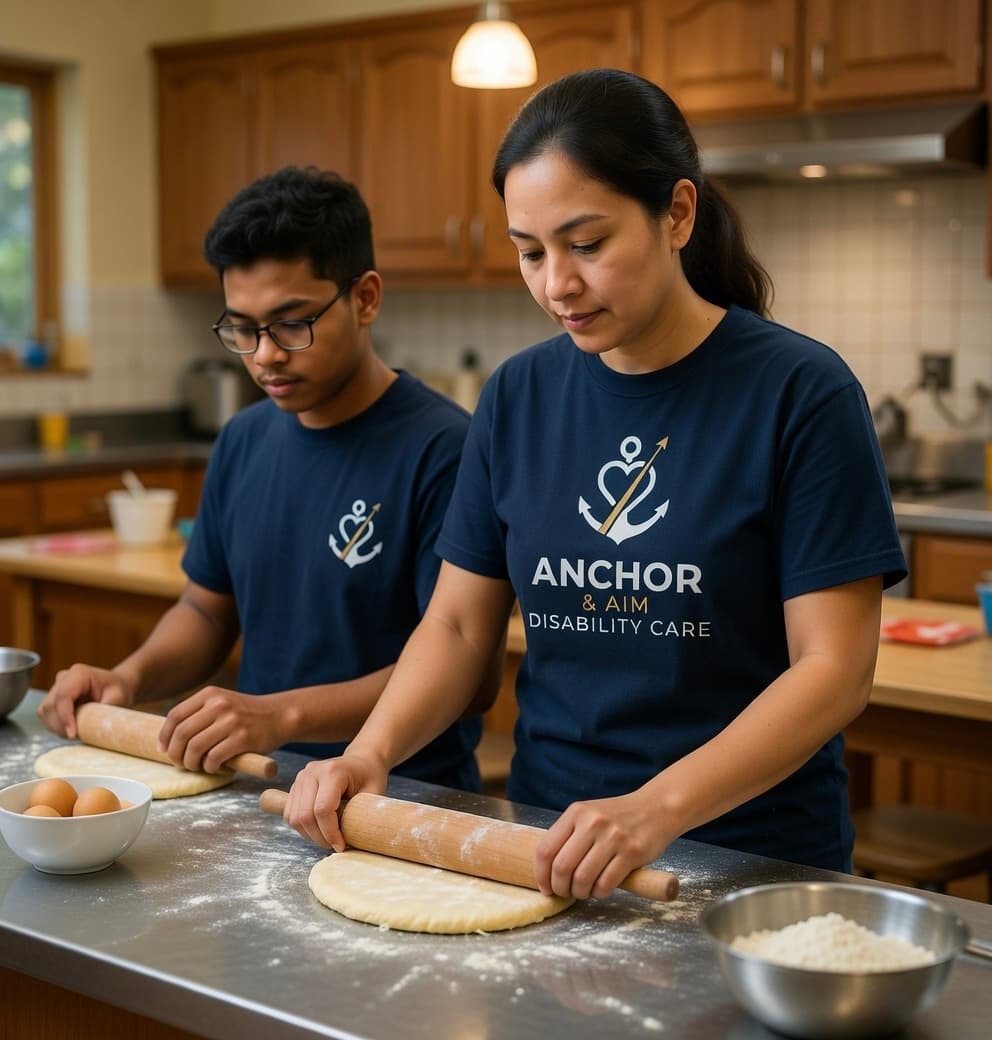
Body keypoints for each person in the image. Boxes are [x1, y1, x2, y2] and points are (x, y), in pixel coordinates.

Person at [283, 70, 907, 897]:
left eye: (587, 244)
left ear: (677, 214)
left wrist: (655, 808)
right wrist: (372, 751)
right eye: (530, 252)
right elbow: (461, 629)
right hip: (551, 849)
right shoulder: (516, 397)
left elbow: (833, 670)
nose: (556, 285)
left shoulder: (800, 392)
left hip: (753, 862)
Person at [38, 166, 493, 792]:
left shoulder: (447, 450)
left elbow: (469, 677)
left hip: (402, 797)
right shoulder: (243, 439)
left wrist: (278, 714)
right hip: (260, 783)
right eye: (242, 329)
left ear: (365, 298)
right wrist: (129, 679)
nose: (265, 355)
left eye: (290, 323)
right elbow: (205, 607)